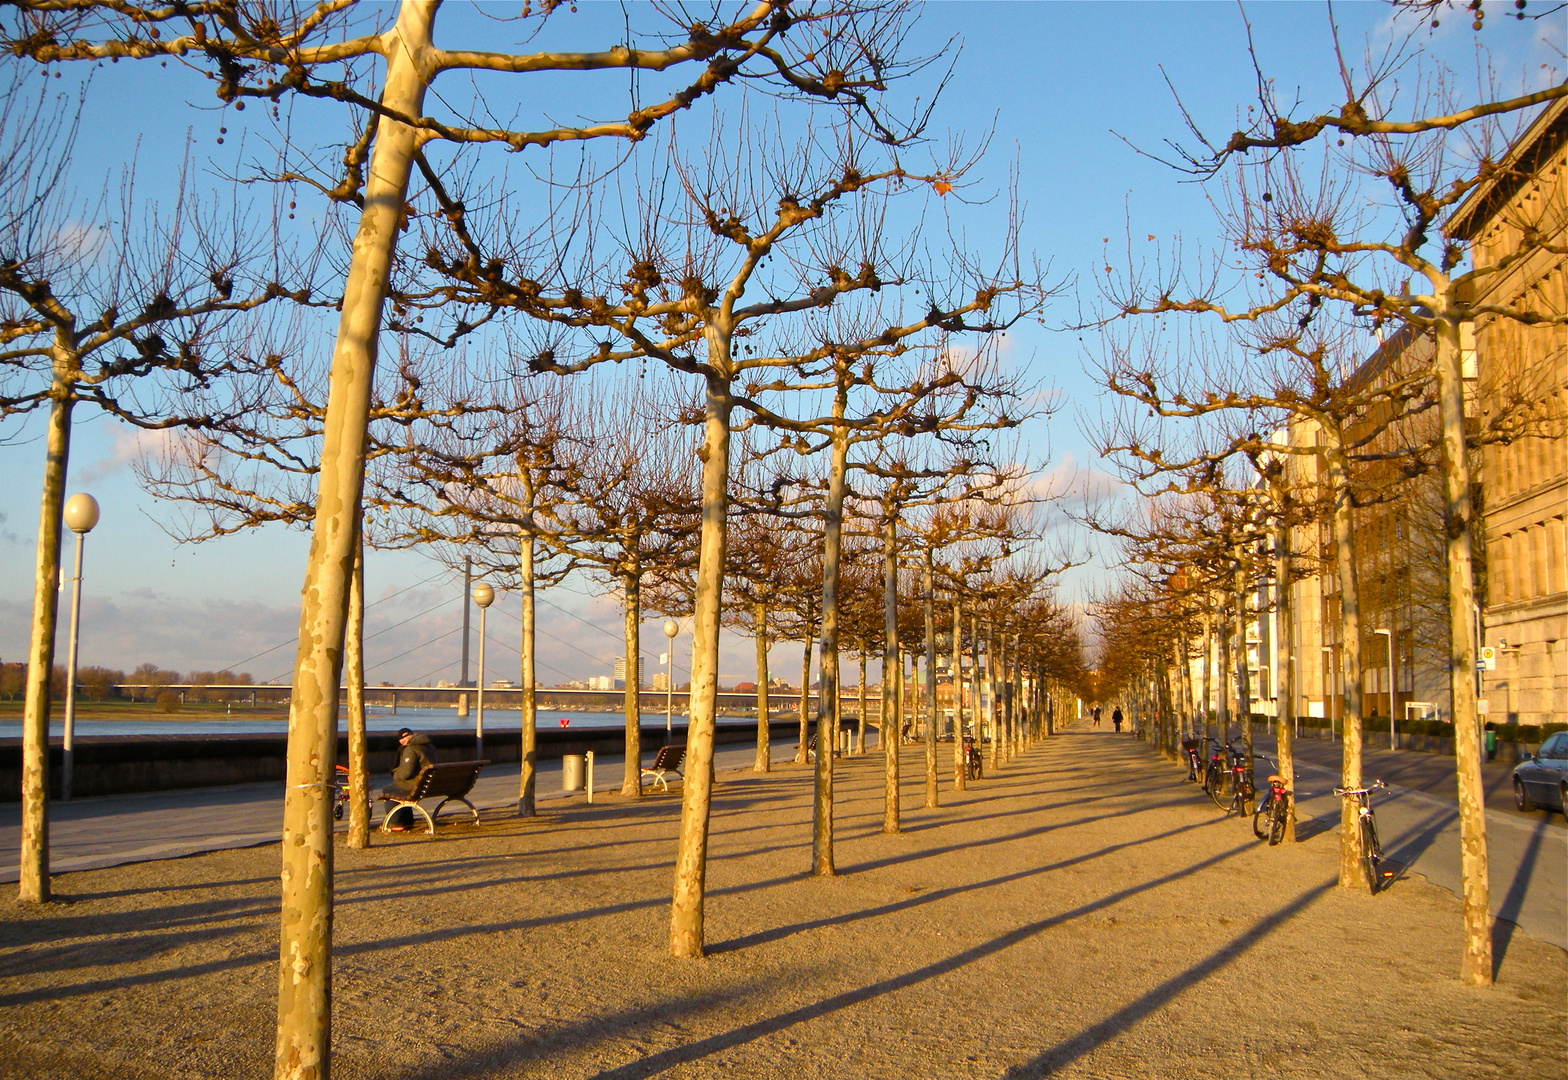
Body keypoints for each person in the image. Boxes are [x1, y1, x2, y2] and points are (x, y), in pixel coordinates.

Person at [384, 728, 433, 831]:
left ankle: (396, 822)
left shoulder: (411, 749)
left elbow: (406, 773)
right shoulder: (429, 746)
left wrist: (395, 775)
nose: (401, 741)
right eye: (400, 740)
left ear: (409, 736)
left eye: (403, 738)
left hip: (419, 785)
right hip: (430, 784)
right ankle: (407, 821)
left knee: (389, 789)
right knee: (401, 788)